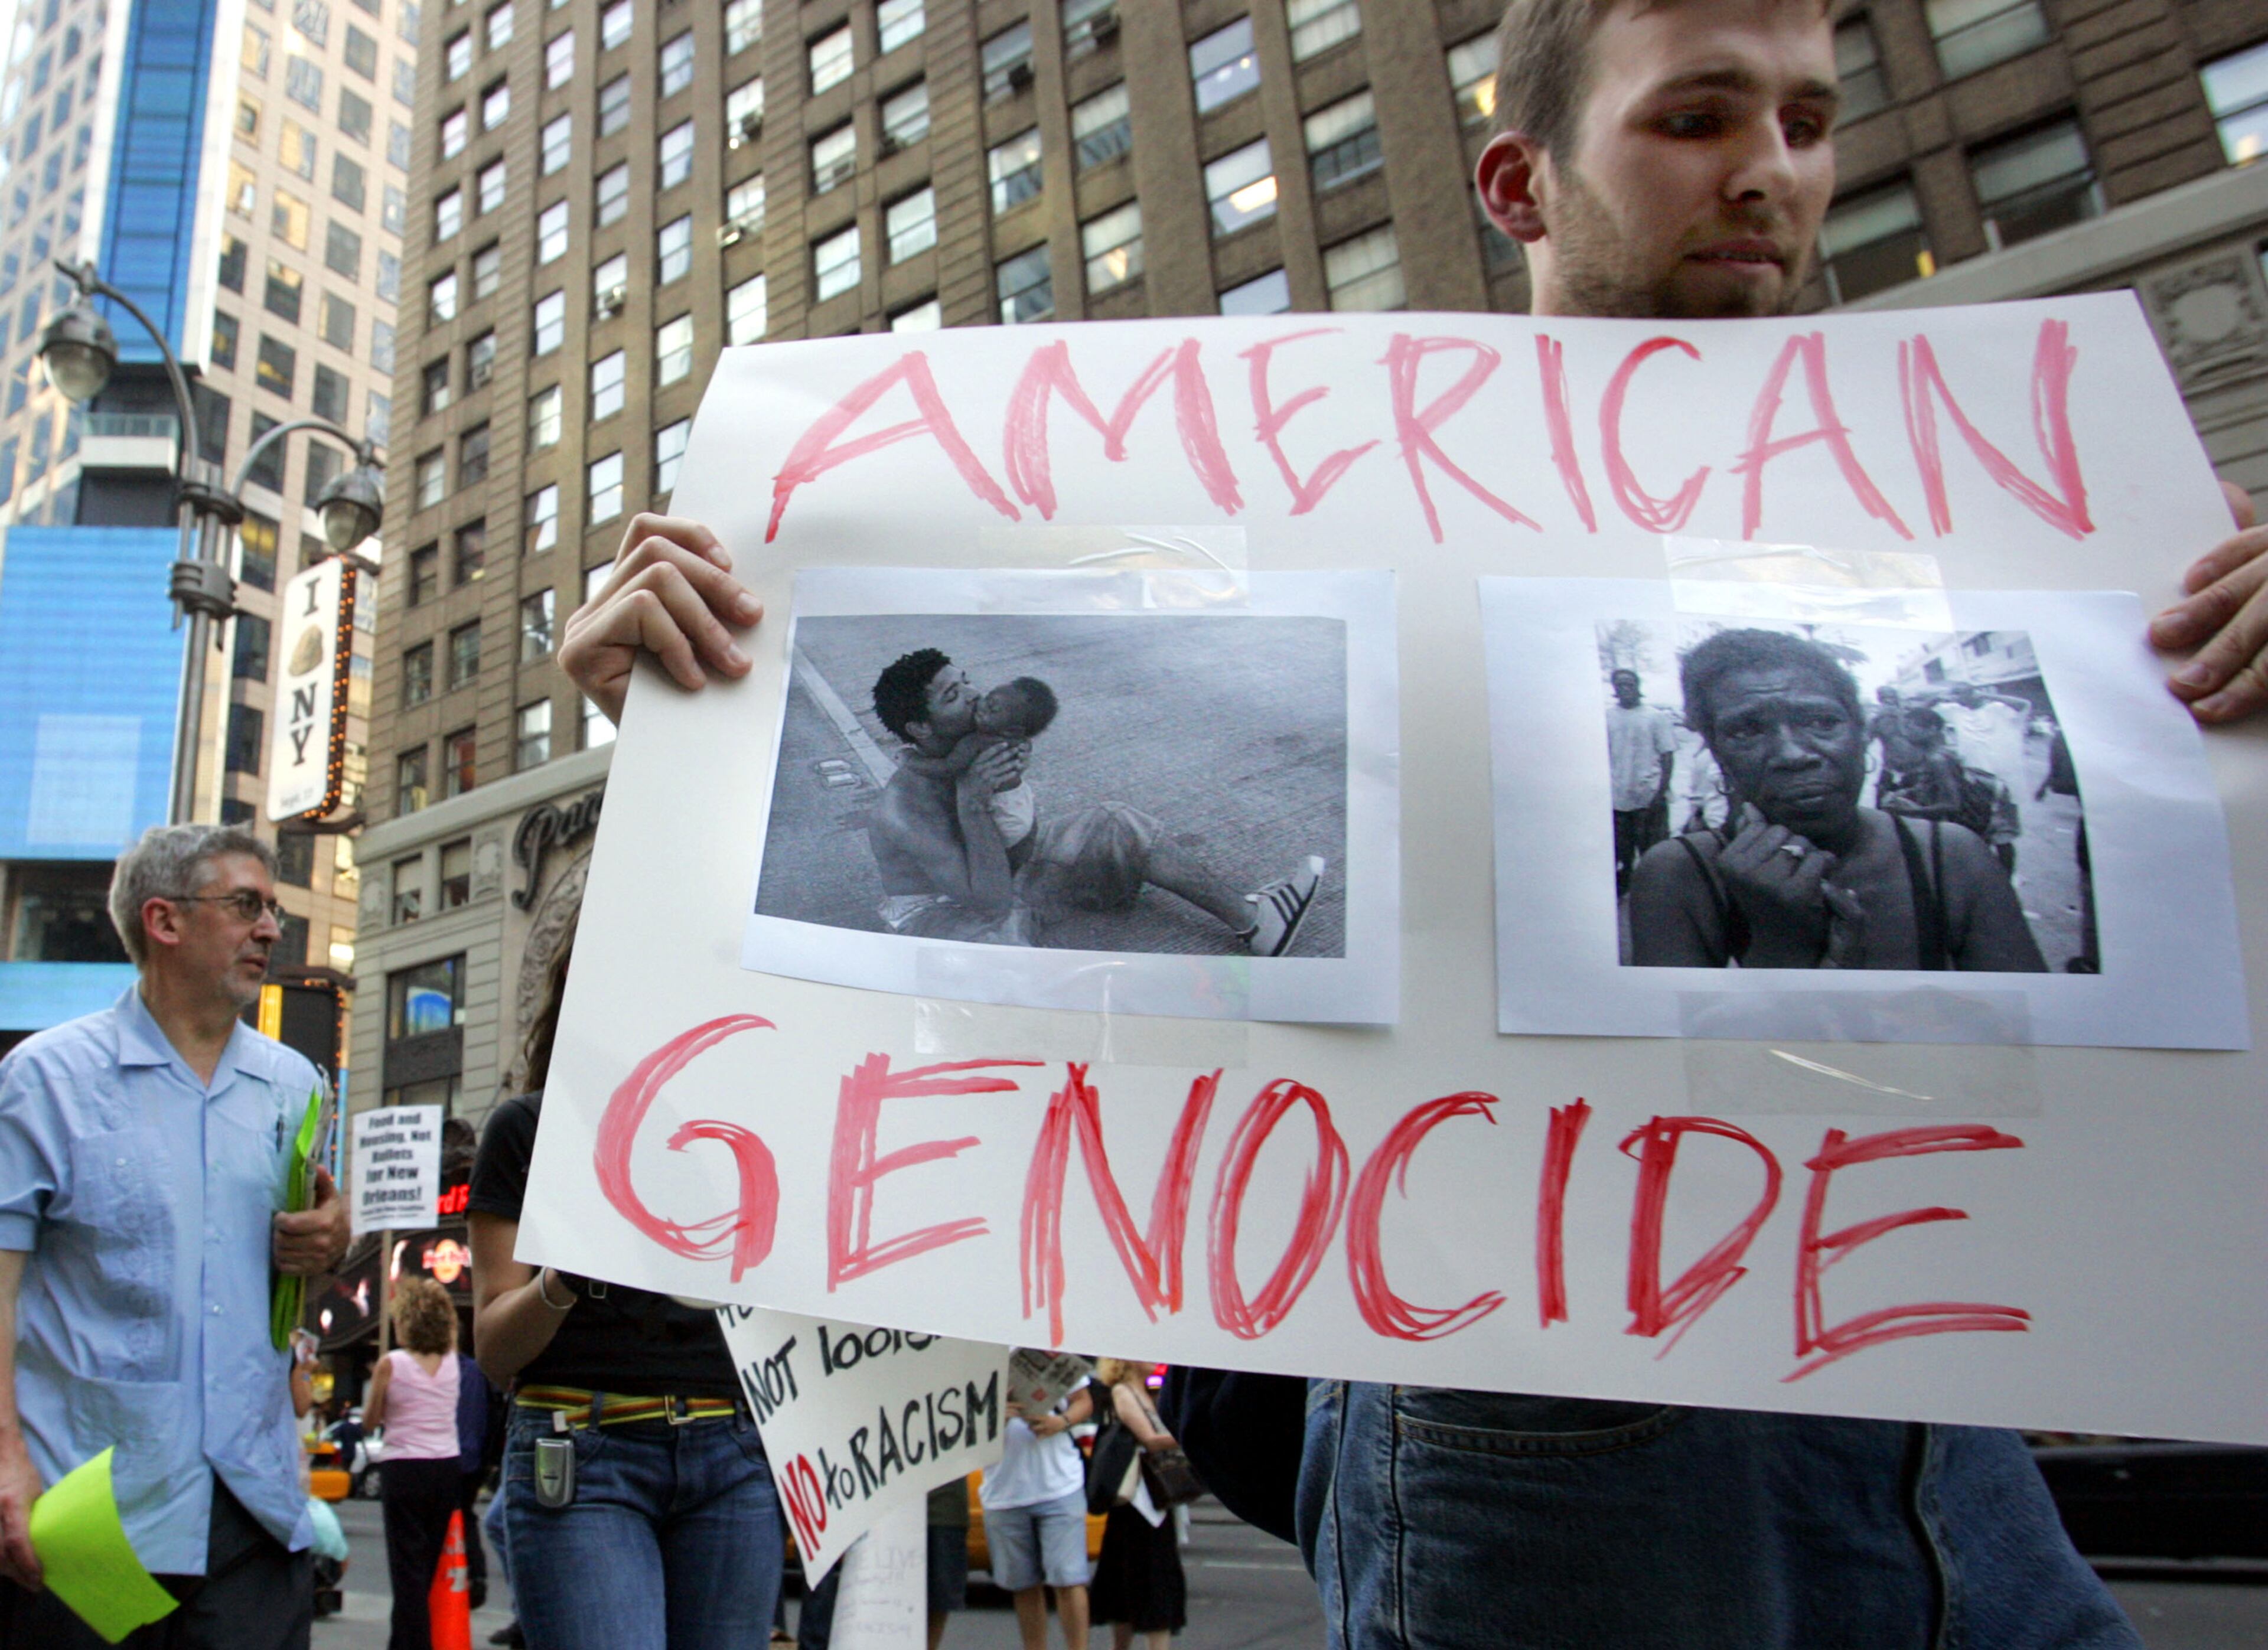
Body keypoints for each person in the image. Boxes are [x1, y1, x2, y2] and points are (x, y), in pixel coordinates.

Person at [0, 823, 350, 1650]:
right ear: (163, 921)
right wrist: (5, 1460)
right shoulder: (46, 1079)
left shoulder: (296, 1086)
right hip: (90, 1518)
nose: (271, 927)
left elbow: (292, 1291)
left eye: (272, 908)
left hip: (256, 1514)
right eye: (244, 905)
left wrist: (332, 1239)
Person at [467, 917, 784, 1650]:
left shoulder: (752, 1129)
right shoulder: (526, 1130)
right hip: (582, 1453)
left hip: (733, 1455)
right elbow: (493, 1347)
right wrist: (564, 1275)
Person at [1628, 628, 2047, 971]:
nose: (1792, 755)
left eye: (1822, 721)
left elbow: (2031, 1038)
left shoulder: (1953, 856)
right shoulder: (1676, 874)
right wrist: (1780, 945)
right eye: (1747, 731)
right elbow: (1680, 1059)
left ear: (1862, 733)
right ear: (1716, 751)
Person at [865, 648, 1325, 956]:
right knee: (1009, 940)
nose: (975, 696)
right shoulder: (904, 812)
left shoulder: (975, 750)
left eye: (965, 683)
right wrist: (972, 805)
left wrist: (1007, 790)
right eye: (953, 696)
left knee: (1113, 823)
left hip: (994, 875)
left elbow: (1019, 849)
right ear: (920, 729)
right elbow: (988, 901)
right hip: (943, 917)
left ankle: (1257, 923)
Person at [364, 1276, 465, 1650]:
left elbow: (371, 1421)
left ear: (404, 1321)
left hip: (404, 1465)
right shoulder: (454, 1361)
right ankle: (402, 1642)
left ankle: (412, 1644)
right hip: (446, 1466)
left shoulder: (391, 1364)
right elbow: (451, 1328)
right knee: (427, 1565)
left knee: (406, 1570)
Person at [980, 1379, 1093, 1650]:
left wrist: (1062, 1422)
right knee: (1023, 1585)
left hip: (1059, 1483)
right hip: (1003, 1490)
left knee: (1068, 1578)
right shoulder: (977, 1358)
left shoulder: (1044, 1346)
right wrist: (995, 1415)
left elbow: (1084, 1400)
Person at [1087, 1362, 1187, 1650]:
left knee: (1139, 1580)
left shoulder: (1146, 1391)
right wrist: (1187, 1436)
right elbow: (1150, 1440)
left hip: (1154, 1498)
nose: (1153, 1362)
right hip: (1138, 1501)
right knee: (1143, 1578)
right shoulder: (1123, 1392)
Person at [1933, 680, 2034, 872]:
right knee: (1976, 831)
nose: (1955, 697)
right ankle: (1985, 877)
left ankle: (2008, 878)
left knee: (2004, 837)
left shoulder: (1998, 709)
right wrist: (1938, 697)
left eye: (1959, 693)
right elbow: (1921, 714)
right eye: (1954, 694)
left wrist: (1988, 696)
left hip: (2003, 784)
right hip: (1973, 782)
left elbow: (2024, 705)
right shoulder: (1956, 711)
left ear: (1973, 692)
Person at [1604, 667, 1678, 893]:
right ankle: (1623, 891)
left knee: (1654, 853)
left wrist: (1660, 793)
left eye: (1630, 683)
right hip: (1618, 800)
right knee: (1621, 853)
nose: (1625, 688)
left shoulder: (1655, 717)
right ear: (1615, 689)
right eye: (1620, 685)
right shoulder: (1607, 717)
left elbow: (1667, 756)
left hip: (1649, 798)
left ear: (1638, 686)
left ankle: (1658, 894)